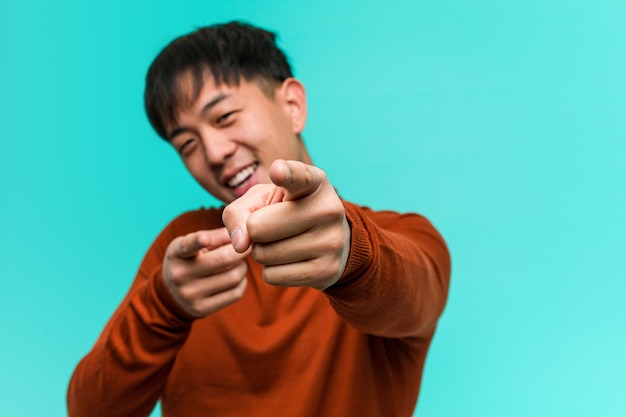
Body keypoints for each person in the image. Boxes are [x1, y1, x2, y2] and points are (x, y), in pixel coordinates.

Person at [67, 21, 451, 417]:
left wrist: (353, 252)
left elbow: (416, 294)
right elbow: (90, 411)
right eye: (187, 143)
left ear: (292, 106)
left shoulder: (400, 235)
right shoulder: (182, 253)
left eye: (224, 116)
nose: (214, 152)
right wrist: (164, 306)